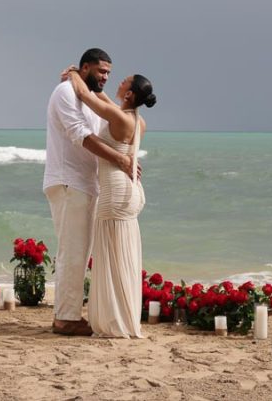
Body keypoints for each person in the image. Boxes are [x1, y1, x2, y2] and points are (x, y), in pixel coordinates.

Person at [44, 48, 136, 336]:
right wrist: (119, 159)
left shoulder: (90, 95)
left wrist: (123, 155)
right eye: (100, 71)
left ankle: (70, 313)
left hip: (87, 182)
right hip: (68, 180)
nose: (106, 77)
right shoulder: (64, 92)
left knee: (81, 252)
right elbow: (79, 134)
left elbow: (115, 129)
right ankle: (66, 318)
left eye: (109, 72)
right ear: (85, 68)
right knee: (72, 250)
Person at [65, 68, 156, 338]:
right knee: (122, 256)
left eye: (124, 81)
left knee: (110, 257)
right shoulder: (138, 121)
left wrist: (73, 73)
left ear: (128, 94)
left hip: (116, 194)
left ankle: (115, 321)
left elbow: (84, 94)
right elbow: (102, 98)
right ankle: (124, 317)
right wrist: (89, 81)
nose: (119, 80)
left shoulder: (118, 116)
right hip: (132, 192)